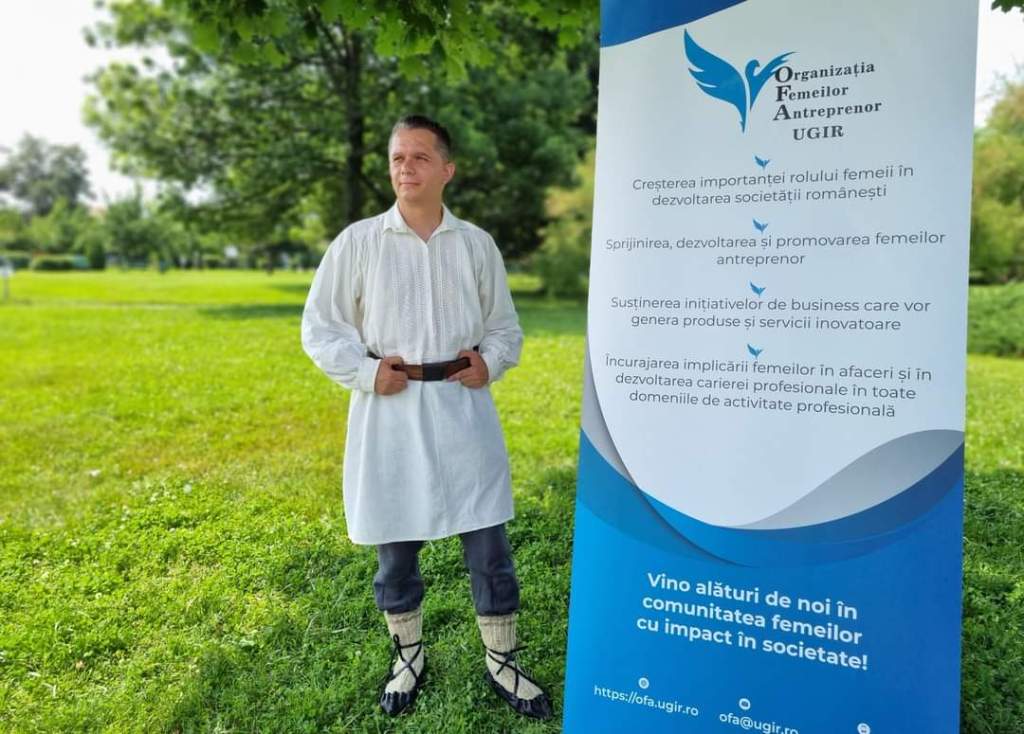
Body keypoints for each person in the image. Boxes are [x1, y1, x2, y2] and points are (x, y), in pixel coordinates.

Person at [300, 115, 552, 720]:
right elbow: (320, 328)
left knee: (489, 545)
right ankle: (407, 657)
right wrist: (366, 374)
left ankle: (503, 661)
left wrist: (490, 362)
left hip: (463, 408)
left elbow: (504, 327)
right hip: (390, 412)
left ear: (447, 169)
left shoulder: (476, 244)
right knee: (395, 548)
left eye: (418, 157)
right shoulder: (358, 242)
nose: (405, 168)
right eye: (397, 158)